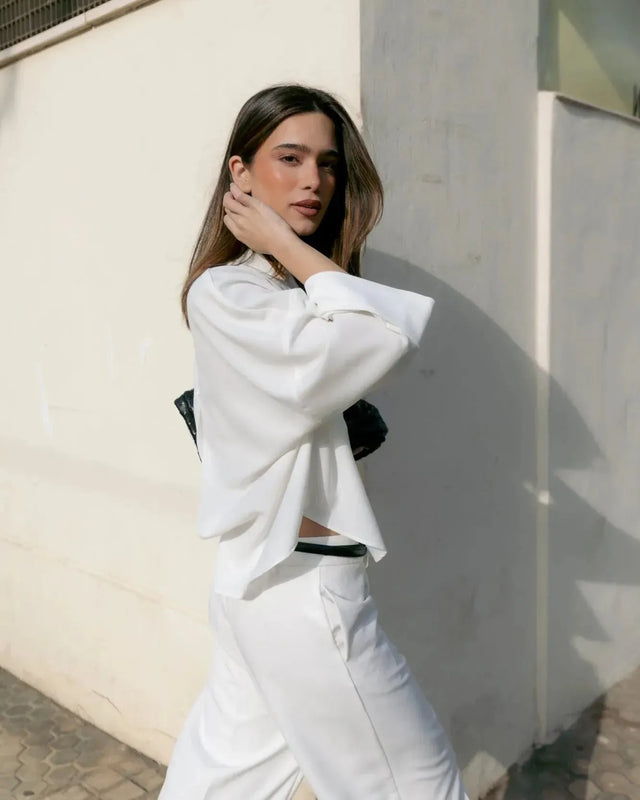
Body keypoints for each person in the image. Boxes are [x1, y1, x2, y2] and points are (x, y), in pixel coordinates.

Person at [158, 84, 470, 800]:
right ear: (239, 173)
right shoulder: (232, 293)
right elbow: (381, 331)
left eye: (328, 165)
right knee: (421, 784)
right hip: (302, 592)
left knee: (219, 783)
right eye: (289, 157)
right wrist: (289, 247)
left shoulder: (284, 292)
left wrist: (293, 258)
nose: (313, 181)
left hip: (259, 583)